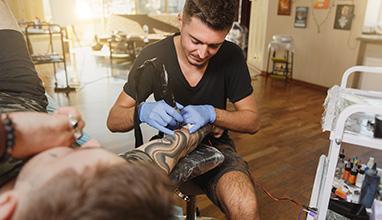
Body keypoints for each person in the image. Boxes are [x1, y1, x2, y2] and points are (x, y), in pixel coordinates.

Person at [107, 0, 261, 219]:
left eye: (214, 45)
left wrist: (213, 114)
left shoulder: (232, 56)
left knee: (246, 207)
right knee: (125, 202)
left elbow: (253, 121)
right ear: (181, 21)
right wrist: (142, 111)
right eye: (195, 40)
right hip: (170, 141)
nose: (202, 52)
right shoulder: (153, 56)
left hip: (216, 144)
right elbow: (113, 120)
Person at [0, 109, 212, 219]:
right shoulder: (111, 199)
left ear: (6, 207)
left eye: (65, 155)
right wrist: (209, 121)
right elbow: (177, 143)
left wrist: (12, 132)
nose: (92, 142)